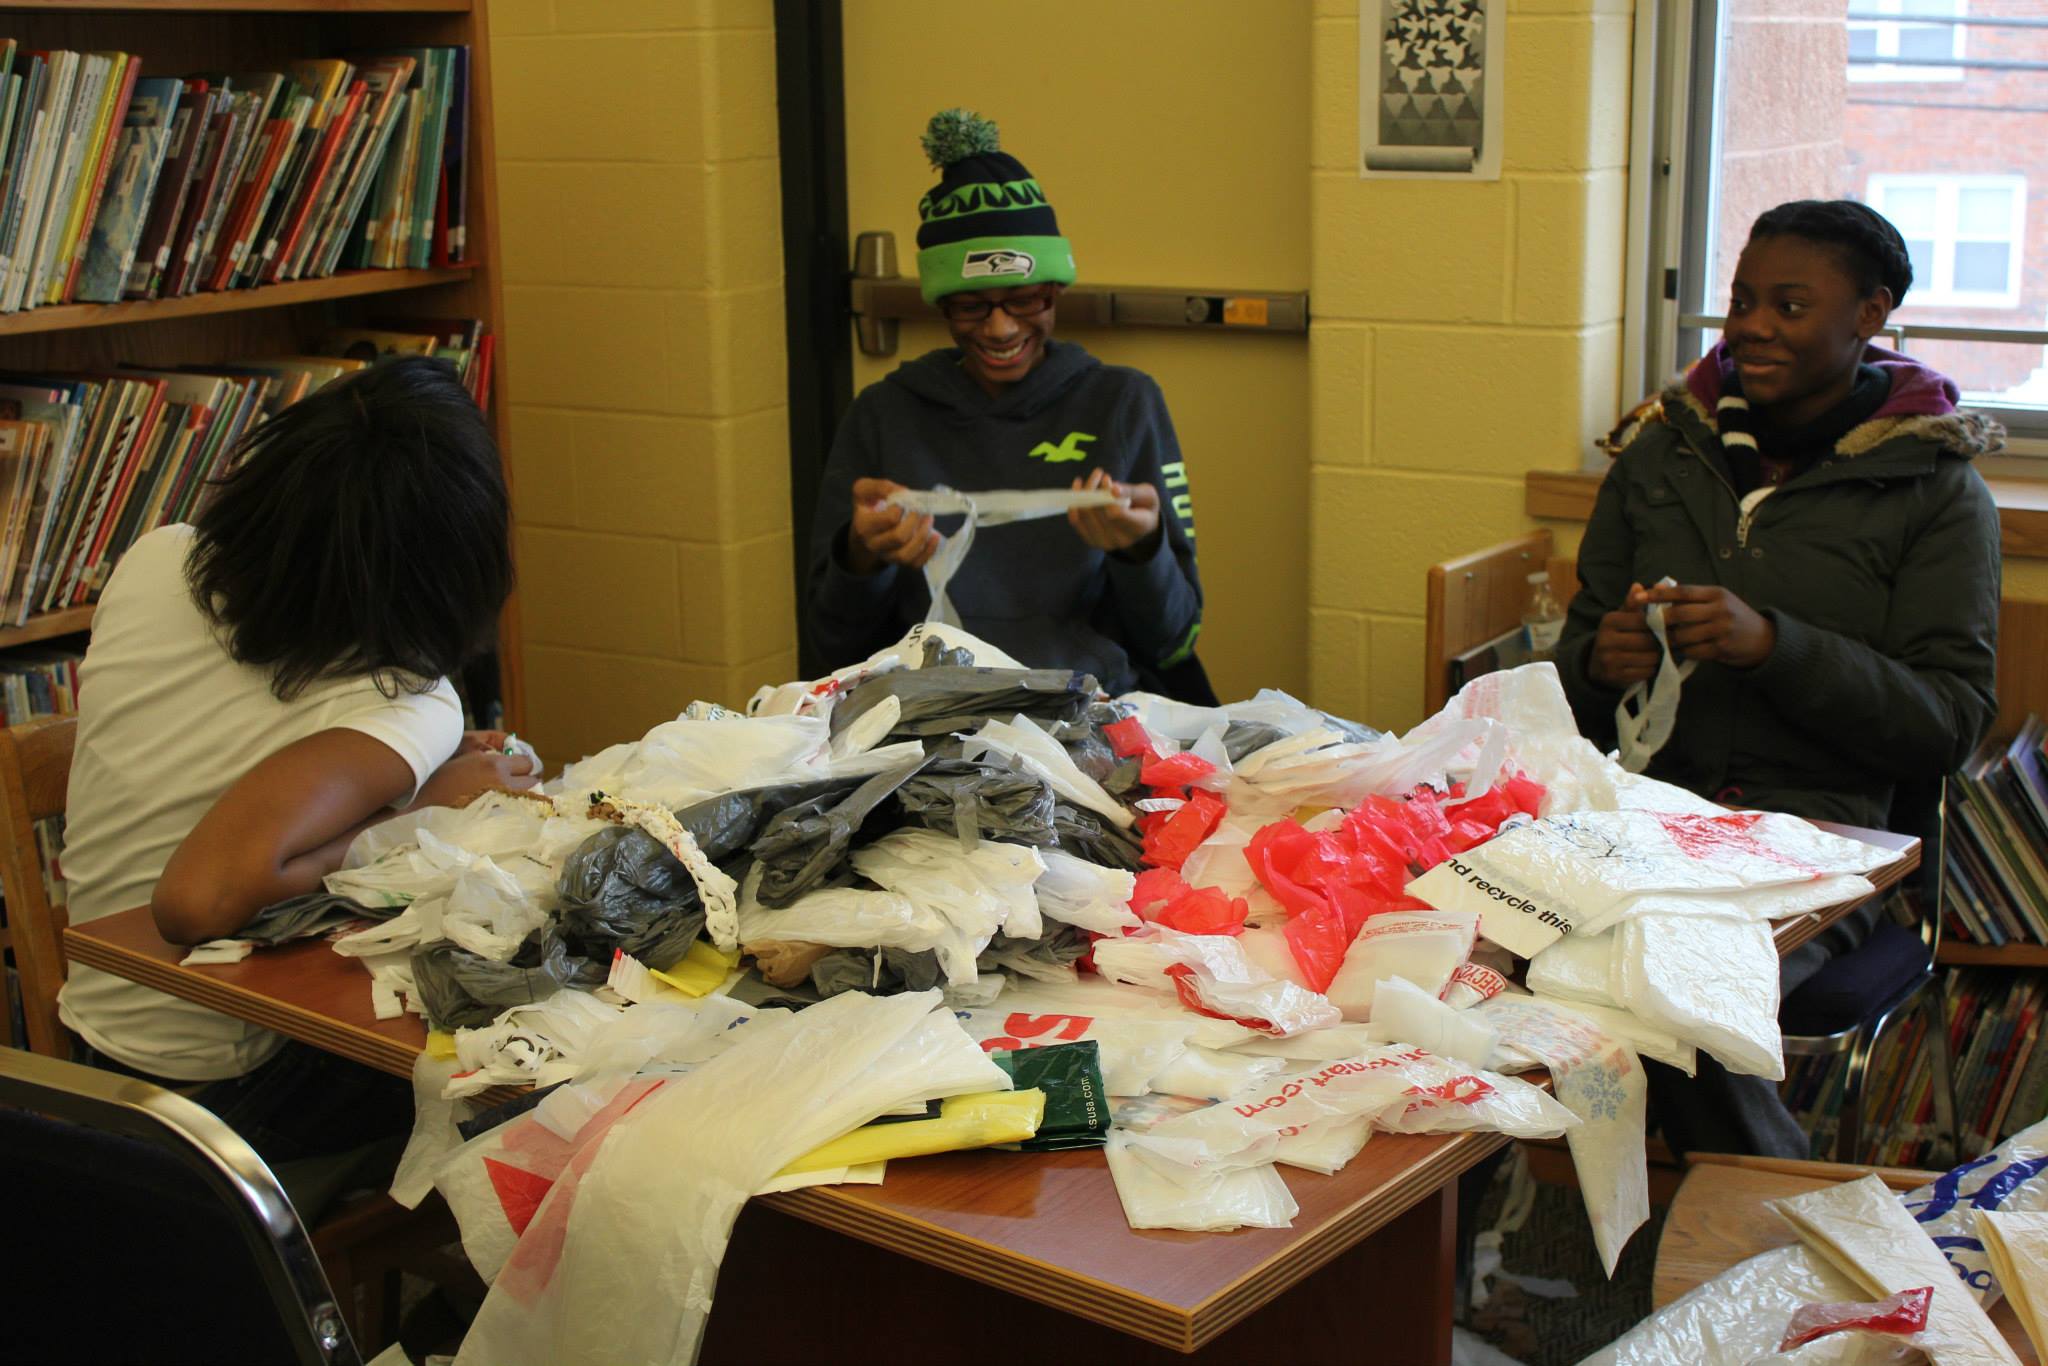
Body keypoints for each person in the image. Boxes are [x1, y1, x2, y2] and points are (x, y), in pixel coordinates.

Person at [1556, 198, 2002, 1157]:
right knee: (1474, 967)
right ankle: (1452, 1243)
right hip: (1638, 821)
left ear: (1870, 315)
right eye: (1742, 302)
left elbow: (1948, 722)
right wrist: (1600, 661)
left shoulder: (1935, 489)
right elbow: (1573, 670)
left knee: (1683, 999)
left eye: (1790, 307)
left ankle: (1761, 1229)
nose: (1752, 327)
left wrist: (1775, 648)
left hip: (1820, 845)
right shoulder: (1662, 457)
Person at [57, 356, 534, 1213]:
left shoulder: (160, 559)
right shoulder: (408, 701)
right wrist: (422, 808)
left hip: (97, 1059)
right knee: (540, 1074)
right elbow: (195, 900)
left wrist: (412, 768)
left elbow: (231, 736)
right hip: (218, 1109)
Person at [805, 108, 1207, 699]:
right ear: (941, 306)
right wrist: (861, 558)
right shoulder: (883, 415)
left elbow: (1174, 641)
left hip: (1088, 710)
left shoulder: (1123, 404)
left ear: (1055, 292)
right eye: (972, 306)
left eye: (1024, 300)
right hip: (926, 718)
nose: (1000, 328)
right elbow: (829, 650)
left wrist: (1140, 550)